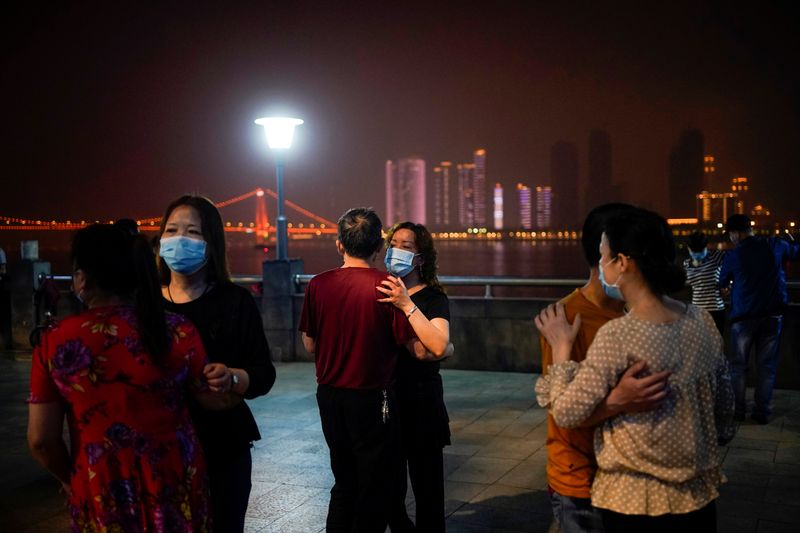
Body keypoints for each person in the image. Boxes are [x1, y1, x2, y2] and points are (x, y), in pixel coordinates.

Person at [535, 207, 735, 532]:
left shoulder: (618, 334)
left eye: (605, 256)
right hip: (696, 497)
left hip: (631, 499)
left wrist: (561, 350)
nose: (601, 265)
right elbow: (725, 413)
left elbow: (567, 413)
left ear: (623, 262)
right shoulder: (701, 321)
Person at [27, 224, 213, 532]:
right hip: (177, 476)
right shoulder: (178, 330)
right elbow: (210, 396)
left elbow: (41, 441)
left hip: (100, 481)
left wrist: (71, 479)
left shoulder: (55, 342)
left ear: (83, 278)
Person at [537, 203, 672, 533]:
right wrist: (620, 400)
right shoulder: (566, 320)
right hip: (582, 480)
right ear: (609, 256)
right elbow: (564, 416)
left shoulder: (641, 314)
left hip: (635, 476)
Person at [158, 195, 276, 532]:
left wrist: (233, 378)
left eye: (193, 232)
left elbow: (263, 374)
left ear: (211, 243)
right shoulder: (143, 304)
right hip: (158, 449)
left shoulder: (235, 301)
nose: (179, 239)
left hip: (222, 446)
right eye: (172, 230)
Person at [299, 207, 421, 532]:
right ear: (379, 247)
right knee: (374, 483)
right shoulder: (387, 286)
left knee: (343, 479)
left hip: (329, 397)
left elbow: (309, 345)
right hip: (372, 400)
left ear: (339, 244)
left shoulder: (318, 285)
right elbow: (411, 344)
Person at [376, 222, 453, 533]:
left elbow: (428, 350)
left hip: (422, 403)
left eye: (406, 246)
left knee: (428, 491)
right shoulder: (382, 290)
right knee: (389, 492)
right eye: (393, 243)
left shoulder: (434, 298)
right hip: (388, 402)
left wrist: (404, 308)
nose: (396, 251)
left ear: (420, 258)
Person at [718, 214, 800, 424]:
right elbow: (795, 251)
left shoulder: (734, 255)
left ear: (736, 233)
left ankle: (738, 411)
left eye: (731, 235)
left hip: (743, 318)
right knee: (767, 366)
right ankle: (762, 412)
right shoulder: (776, 244)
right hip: (773, 315)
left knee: (738, 366)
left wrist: (728, 290)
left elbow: (722, 283)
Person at [684, 230, 726, 334]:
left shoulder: (716, 257)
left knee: (717, 344)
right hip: (697, 310)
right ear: (689, 249)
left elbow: (732, 268)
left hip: (715, 310)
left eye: (701, 251)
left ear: (706, 247)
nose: (697, 254)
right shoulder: (686, 263)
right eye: (694, 252)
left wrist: (726, 284)